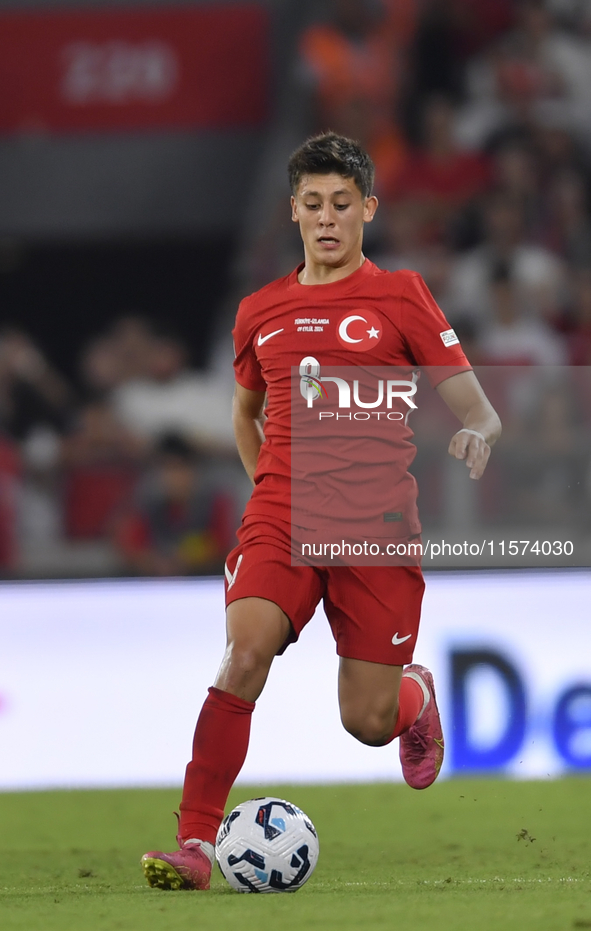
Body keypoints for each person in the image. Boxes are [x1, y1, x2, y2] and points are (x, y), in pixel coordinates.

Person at [141, 133, 501, 891]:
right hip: (282, 518)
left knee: (368, 722)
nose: (327, 218)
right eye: (312, 205)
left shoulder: (401, 295)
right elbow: (246, 415)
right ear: (294, 212)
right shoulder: (260, 311)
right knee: (243, 655)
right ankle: (195, 845)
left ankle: (416, 694)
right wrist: (274, 486)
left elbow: (477, 408)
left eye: (342, 203)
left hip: (376, 528)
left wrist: (475, 431)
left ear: (367, 207)